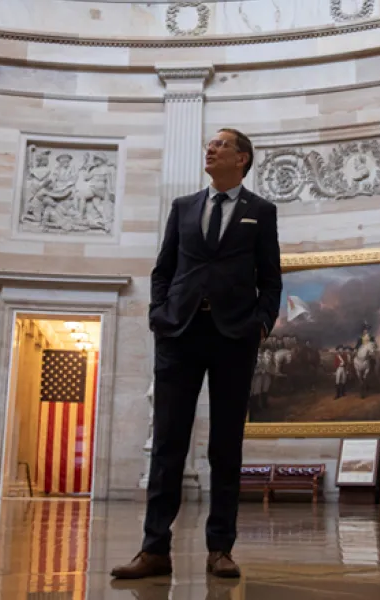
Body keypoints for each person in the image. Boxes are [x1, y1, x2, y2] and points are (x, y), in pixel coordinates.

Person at [112, 128, 282, 580]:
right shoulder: (184, 207)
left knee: (225, 446)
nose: (211, 149)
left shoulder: (261, 212)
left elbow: (272, 278)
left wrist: (261, 324)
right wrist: (159, 316)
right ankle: (154, 550)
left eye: (221, 145)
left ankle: (220, 548)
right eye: (210, 145)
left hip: (233, 338)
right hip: (180, 333)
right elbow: (163, 268)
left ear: (242, 159)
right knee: (167, 444)